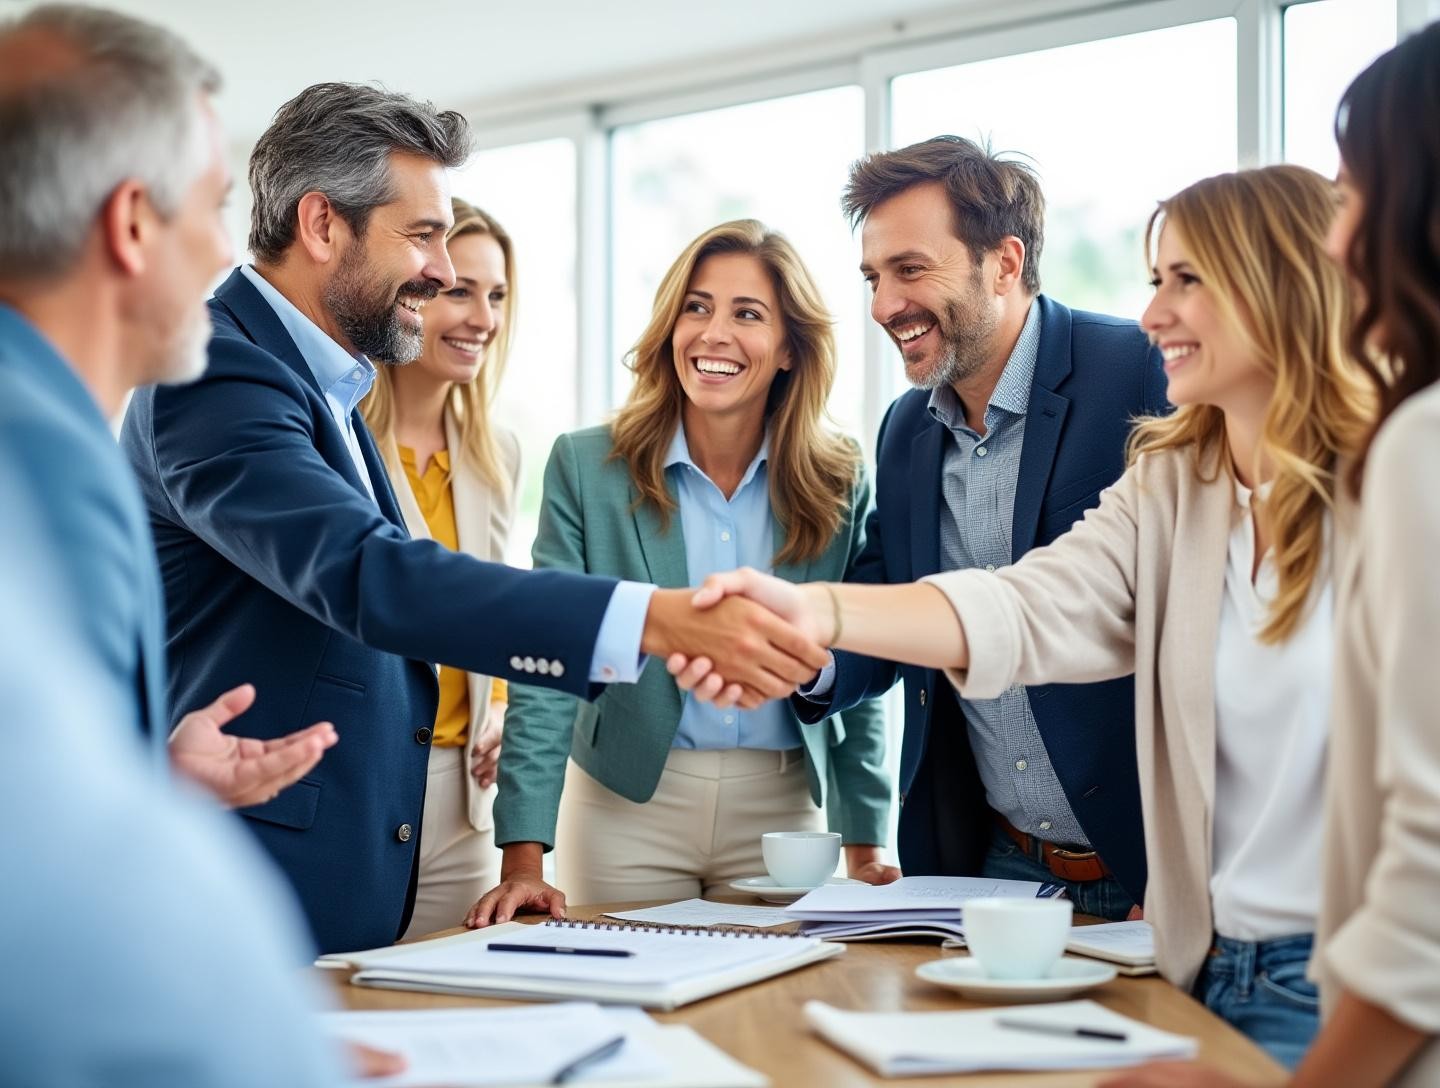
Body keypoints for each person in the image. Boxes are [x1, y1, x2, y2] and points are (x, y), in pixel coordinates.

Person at [683, 164, 1373, 1069]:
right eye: (1155, 281)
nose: (1154, 312)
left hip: (1324, 956)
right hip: (1176, 931)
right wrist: (811, 612)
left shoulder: (1385, 476)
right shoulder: (1172, 480)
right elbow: (1029, 602)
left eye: (1185, 281)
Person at [120, 83, 828, 954]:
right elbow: (366, 571)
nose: (445, 270)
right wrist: (649, 616)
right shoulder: (215, 371)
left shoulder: (330, 383)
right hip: (249, 873)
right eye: (419, 234)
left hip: (329, 860)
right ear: (321, 225)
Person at [0, 5, 396, 1082]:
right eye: (216, 207)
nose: (229, 250)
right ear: (132, 223)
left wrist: (144, 774)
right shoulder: (34, 450)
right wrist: (264, 1044)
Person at [468, 220, 895, 925]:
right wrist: (523, 859)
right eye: (696, 307)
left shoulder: (841, 478)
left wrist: (867, 843)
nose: (713, 334)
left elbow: (860, 666)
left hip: (784, 812)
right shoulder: (585, 466)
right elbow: (547, 663)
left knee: (764, 1019)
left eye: (747, 314)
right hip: (625, 805)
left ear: (791, 347)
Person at [791, 136, 1167, 920]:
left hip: (1147, 861)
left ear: (1003, 261)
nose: (883, 306)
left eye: (910, 269)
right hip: (989, 860)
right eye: (873, 276)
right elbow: (891, 600)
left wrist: (1191, 866)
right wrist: (802, 656)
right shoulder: (904, 430)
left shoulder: (1140, 372)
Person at [359, 198, 519, 938]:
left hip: (464, 805)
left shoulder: (496, 453)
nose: (481, 318)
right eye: (459, 291)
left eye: (496, 295)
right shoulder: (342, 437)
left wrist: (500, 707)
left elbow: (488, 613)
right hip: (367, 786)